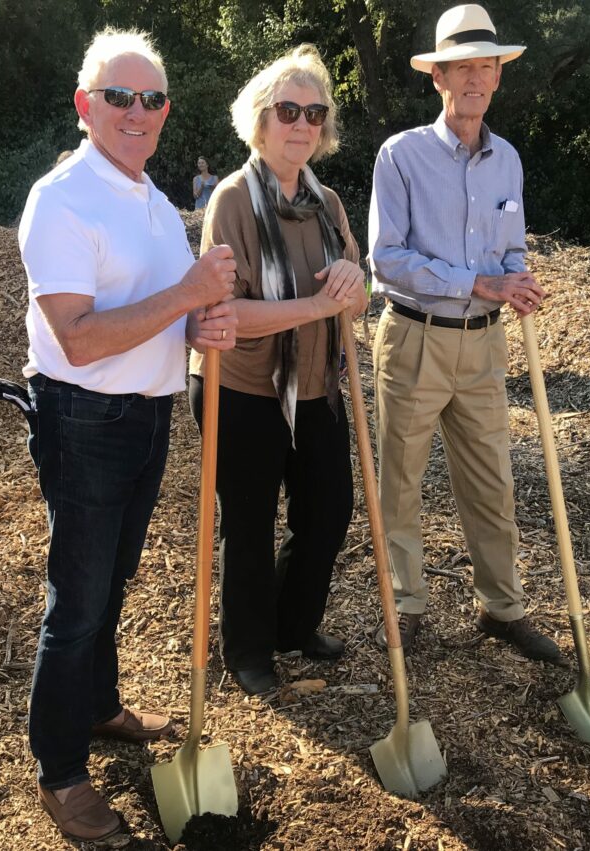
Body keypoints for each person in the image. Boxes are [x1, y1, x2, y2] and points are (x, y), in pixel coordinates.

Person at [18, 28, 237, 842]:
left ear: (165, 111)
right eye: (119, 97)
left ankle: (100, 704)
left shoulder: (149, 200)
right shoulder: (62, 198)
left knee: (113, 582)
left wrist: (199, 324)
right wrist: (186, 293)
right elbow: (77, 336)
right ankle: (61, 772)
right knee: (75, 601)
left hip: (146, 413)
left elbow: (160, 315)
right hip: (84, 416)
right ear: (86, 106)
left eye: (152, 99)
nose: (137, 112)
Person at [369, 4, 567, 665]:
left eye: (486, 66)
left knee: (493, 481)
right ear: (439, 79)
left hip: (484, 346)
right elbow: (386, 258)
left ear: (497, 78)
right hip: (415, 339)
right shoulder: (401, 156)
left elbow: (510, 248)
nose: (475, 79)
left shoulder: (507, 160)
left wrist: (517, 280)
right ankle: (406, 606)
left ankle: (501, 607)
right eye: (462, 68)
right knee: (400, 479)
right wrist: (476, 283)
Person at [188, 44, 367, 696]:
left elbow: (357, 294)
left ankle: (294, 625)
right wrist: (318, 302)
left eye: (314, 113)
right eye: (287, 109)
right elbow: (225, 314)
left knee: (328, 513)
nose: (302, 123)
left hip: (316, 386)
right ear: (260, 120)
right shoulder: (231, 200)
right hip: (240, 386)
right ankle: (250, 650)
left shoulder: (329, 204)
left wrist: (354, 281)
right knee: (250, 522)